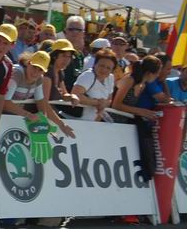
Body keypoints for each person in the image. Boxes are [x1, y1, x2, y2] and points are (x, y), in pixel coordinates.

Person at [0, 51, 76, 138]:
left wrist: (55, 124)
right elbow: (4, 102)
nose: (36, 72)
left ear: (44, 72)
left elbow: (42, 103)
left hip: (13, 118)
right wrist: (28, 115)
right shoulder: (17, 74)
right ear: (28, 63)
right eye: (34, 67)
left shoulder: (39, 79)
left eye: (40, 70)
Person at [111, 55, 166, 183]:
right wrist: (141, 111)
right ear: (149, 73)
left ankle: (147, 170)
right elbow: (116, 104)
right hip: (113, 121)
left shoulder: (142, 85)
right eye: (157, 73)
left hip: (125, 122)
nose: (158, 76)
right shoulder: (130, 80)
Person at [71, 49, 117, 121]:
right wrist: (97, 103)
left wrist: (104, 104)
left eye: (108, 68)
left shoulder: (110, 78)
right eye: (102, 65)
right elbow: (75, 95)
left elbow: (109, 99)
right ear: (95, 64)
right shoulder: (88, 75)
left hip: (94, 121)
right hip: (76, 120)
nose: (104, 70)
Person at [43, 39, 80, 107]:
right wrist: (57, 118)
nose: (67, 60)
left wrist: (72, 96)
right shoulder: (47, 73)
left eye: (69, 57)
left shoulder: (60, 72)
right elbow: (44, 104)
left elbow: (64, 94)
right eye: (63, 56)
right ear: (54, 56)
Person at [62, 16, 86, 89]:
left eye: (78, 30)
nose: (74, 32)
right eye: (71, 29)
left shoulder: (80, 55)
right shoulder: (58, 50)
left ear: (83, 33)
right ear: (65, 31)